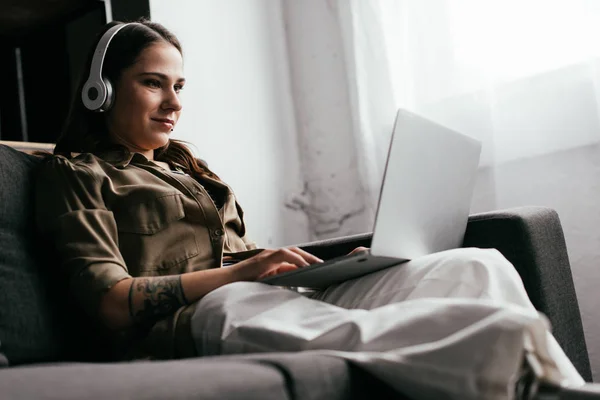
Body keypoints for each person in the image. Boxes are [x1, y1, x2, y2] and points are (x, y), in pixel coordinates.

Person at [35, 19, 584, 399]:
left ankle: (560, 385)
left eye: (179, 85)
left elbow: (246, 259)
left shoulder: (187, 168)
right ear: (101, 92)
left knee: (475, 265)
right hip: (192, 321)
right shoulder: (79, 173)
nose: (176, 103)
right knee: (253, 308)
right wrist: (243, 271)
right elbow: (109, 303)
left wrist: (335, 266)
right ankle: (526, 376)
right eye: (154, 84)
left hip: (261, 293)